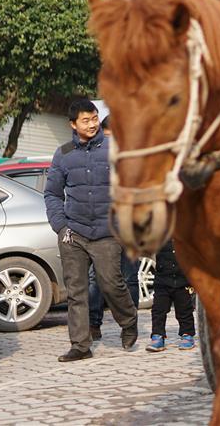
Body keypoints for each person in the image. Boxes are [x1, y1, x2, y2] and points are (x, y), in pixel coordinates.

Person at [44, 99, 138, 361]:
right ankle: (80, 345)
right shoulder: (62, 154)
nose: (92, 124)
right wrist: (60, 226)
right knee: (76, 291)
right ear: (73, 124)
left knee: (111, 284)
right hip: (73, 233)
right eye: (86, 120)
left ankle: (129, 321)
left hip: (107, 232)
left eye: (95, 118)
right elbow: (51, 193)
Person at [86, 116, 142, 340]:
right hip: (100, 226)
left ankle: (130, 324)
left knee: (129, 277)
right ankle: (93, 324)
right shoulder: (94, 157)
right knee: (96, 277)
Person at [145, 240, 196, 352]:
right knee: (158, 309)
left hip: (183, 279)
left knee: (184, 310)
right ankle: (157, 335)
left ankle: (187, 334)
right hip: (163, 278)